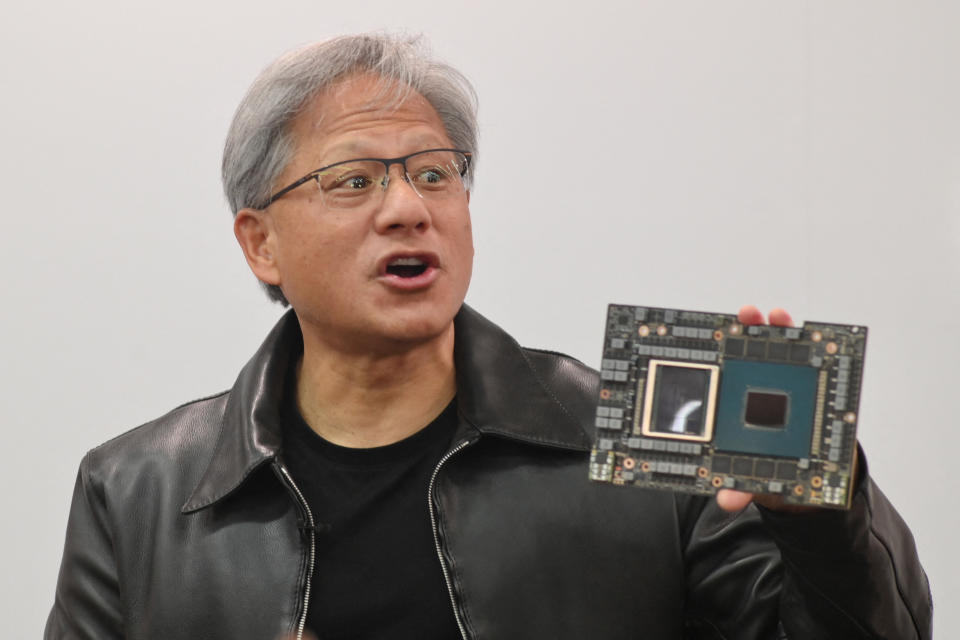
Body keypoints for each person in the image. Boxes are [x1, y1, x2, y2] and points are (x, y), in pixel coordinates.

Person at [45, 33, 932, 640]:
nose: (408, 208)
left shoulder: (644, 438)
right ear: (260, 242)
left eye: (435, 174)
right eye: (354, 181)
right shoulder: (137, 493)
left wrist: (824, 512)